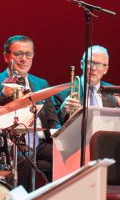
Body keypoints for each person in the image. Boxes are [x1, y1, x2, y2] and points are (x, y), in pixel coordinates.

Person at [0, 35, 60, 191]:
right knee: (25, 161)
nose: (23, 59)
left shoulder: (41, 83)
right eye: (18, 54)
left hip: (39, 142)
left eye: (28, 54)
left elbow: (53, 120)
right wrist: (3, 96)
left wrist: (59, 135)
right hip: (10, 146)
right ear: (6, 56)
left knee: (73, 154)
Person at [54, 45, 120, 125]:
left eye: (99, 64)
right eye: (90, 62)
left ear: (106, 69)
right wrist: (63, 111)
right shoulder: (61, 93)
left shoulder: (117, 93)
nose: (93, 68)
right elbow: (52, 125)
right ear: (82, 64)